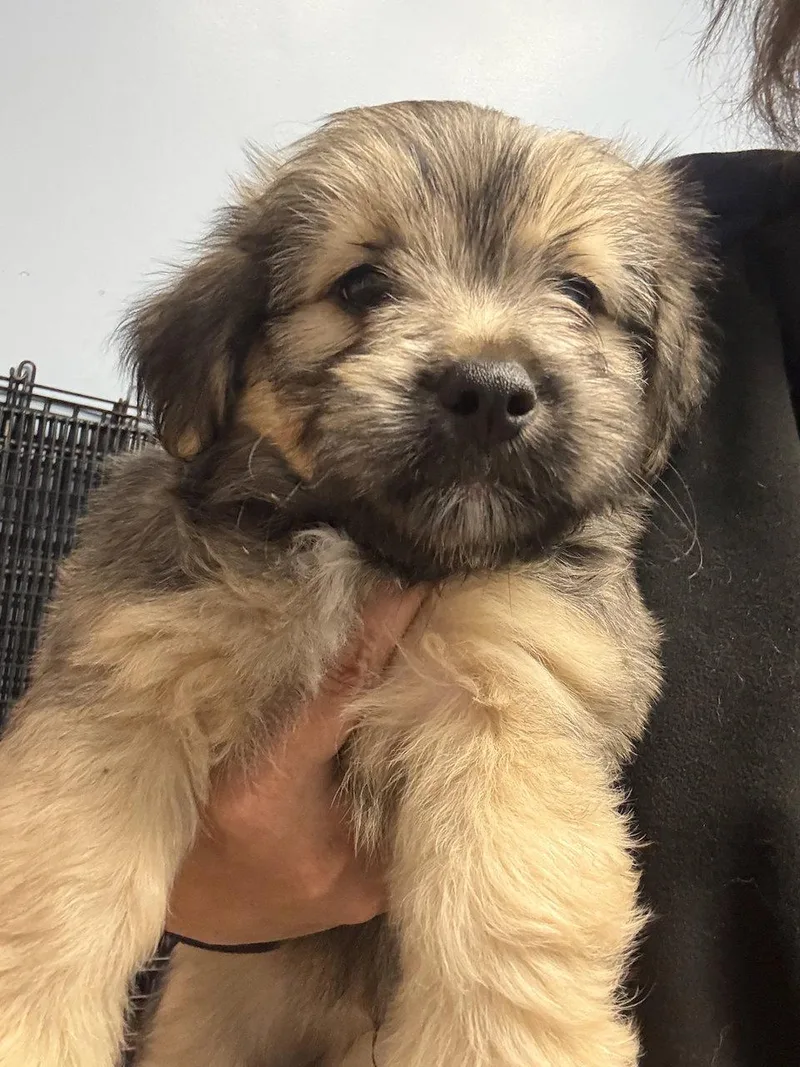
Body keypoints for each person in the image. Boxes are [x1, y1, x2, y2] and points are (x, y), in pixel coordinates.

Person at [132, 4, 800, 1064]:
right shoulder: (696, 244)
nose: (495, 368)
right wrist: (190, 865)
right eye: (365, 289)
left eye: (576, 297)